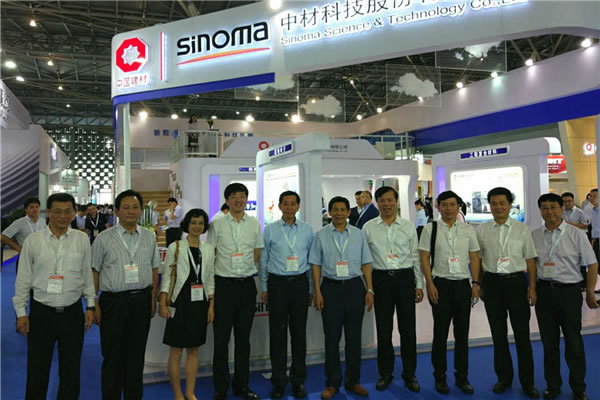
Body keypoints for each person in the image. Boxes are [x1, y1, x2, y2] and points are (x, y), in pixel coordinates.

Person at [13, 193, 95, 399]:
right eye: (57, 211)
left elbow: (86, 274)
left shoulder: (81, 239)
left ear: (74, 213)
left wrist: (90, 305)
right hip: (41, 313)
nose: (62, 216)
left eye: (68, 211)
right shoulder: (33, 241)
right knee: (37, 370)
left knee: (71, 370)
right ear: (48, 212)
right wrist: (21, 313)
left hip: (72, 313)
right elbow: (23, 280)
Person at [92, 189, 161, 400]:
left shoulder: (149, 236)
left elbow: (154, 268)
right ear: (117, 211)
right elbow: (94, 271)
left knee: (136, 356)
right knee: (113, 356)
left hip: (141, 300)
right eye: (126, 207)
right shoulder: (104, 238)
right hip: (113, 302)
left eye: (135, 207)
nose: (131, 211)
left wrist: (152, 299)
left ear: (140, 210)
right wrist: (94, 303)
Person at [532, 193, 598, 400]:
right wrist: (531, 289)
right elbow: (531, 265)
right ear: (540, 211)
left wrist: (590, 291)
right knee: (549, 343)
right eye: (544, 207)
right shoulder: (534, 235)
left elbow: (592, 264)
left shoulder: (576, 234)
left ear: (561, 209)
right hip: (544, 293)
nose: (549, 211)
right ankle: (553, 386)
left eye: (553, 207)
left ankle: (578, 387)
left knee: (573, 342)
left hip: (569, 293)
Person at [475, 187, 539, 398]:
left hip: (516, 283)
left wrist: (532, 287)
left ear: (510, 205)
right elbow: (477, 260)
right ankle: (503, 378)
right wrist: (479, 284)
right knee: (498, 334)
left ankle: (528, 382)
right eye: (493, 203)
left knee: (522, 335)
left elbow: (530, 260)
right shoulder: (482, 230)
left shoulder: (522, 229)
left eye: (502, 203)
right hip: (492, 284)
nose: (498, 207)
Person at [309, 196, 374, 400]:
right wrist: (317, 291)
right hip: (330, 289)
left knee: (354, 338)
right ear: (329, 212)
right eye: (334, 209)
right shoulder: (320, 235)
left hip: (355, 288)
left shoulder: (358, 234)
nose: (338, 213)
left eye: (342, 209)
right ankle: (332, 383)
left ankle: (353, 381)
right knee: (331, 338)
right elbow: (315, 265)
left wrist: (370, 290)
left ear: (348, 212)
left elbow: (366, 263)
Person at [419, 190, 481, 395]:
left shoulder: (468, 229)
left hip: (462, 285)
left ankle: (462, 377)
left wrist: (475, 283)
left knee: (462, 334)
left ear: (458, 207)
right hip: (440, 285)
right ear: (438, 206)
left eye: (452, 204)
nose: (448, 208)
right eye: (444, 204)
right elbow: (424, 257)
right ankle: (440, 376)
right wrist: (429, 284)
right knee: (440, 334)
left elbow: (474, 257)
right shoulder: (430, 228)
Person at [363, 187, 423, 393]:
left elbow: (415, 257)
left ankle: (409, 374)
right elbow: (365, 261)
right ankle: (385, 373)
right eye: (382, 200)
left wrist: (419, 284)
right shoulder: (368, 227)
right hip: (380, 280)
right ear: (377, 203)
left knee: (408, 330)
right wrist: (369, 288)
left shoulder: (408, 226)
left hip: (404, 279)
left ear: (396, 202)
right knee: (383, 329)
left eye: (390, 200)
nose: (386, 204)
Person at [207, 183, 264, 400]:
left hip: (246, 286)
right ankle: (220, 388)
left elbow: (256, 252)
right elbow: (211, 252)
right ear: (227, 201)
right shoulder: (217, 224)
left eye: (242, 196)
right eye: (234, 196)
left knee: (243, 340)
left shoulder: (254, 223)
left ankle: (242, 385)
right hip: (224, 286)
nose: (239, 200)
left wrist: (245, 268)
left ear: (246, 199)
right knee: (221, 340)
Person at [259, 191, 313, 399]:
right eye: (286, 204)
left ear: (298, 207)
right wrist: (264, 286)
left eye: (293, 204)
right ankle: (279, 381)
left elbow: (311, 260)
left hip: (299, 284)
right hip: (278, 285)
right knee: (278, 335)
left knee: (299, 334)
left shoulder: (307, 230)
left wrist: (310, 288)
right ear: (280, 206)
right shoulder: (270, 230)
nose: (289, 207)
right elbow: (263, 260)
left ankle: (298, 381)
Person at [159, 209, 215, 400]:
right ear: (187, 225)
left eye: (201, 223)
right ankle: (178, 394)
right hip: (179, 302)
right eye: (193, 223)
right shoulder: (176, 247)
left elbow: (210, 279)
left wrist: (211, 304)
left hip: (199, 304)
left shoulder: (208, 249)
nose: (197, 226)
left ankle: (190, 393)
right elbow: (167, 277)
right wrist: (163, 303)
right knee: (176, 351)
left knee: (194, 350)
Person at [1, 197, 47, 273]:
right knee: (23, 280)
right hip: (25, 257)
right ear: (26, 210)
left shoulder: (43, 221)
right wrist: (18, 249)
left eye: (37, 207)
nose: (35, 209)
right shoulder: (19, 223)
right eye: (31, 207)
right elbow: (3, 236)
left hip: (41, 257)